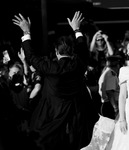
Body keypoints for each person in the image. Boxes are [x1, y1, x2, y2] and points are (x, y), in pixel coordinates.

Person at [12, 11, 99, 150]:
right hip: (76, 120)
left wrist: (26, 32)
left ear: (56, 52)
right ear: (71, 52)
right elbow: (83, 50)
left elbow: (31, 56)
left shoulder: (50, 67)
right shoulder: (78, 64)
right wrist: (77, 29)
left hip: (50, 120)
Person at [98, 55, 121, 119]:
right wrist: (116, 108)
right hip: (110, 106)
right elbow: (109, 92)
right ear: (117, 65)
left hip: (108, 105)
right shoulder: (110, 74)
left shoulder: (106, 72)